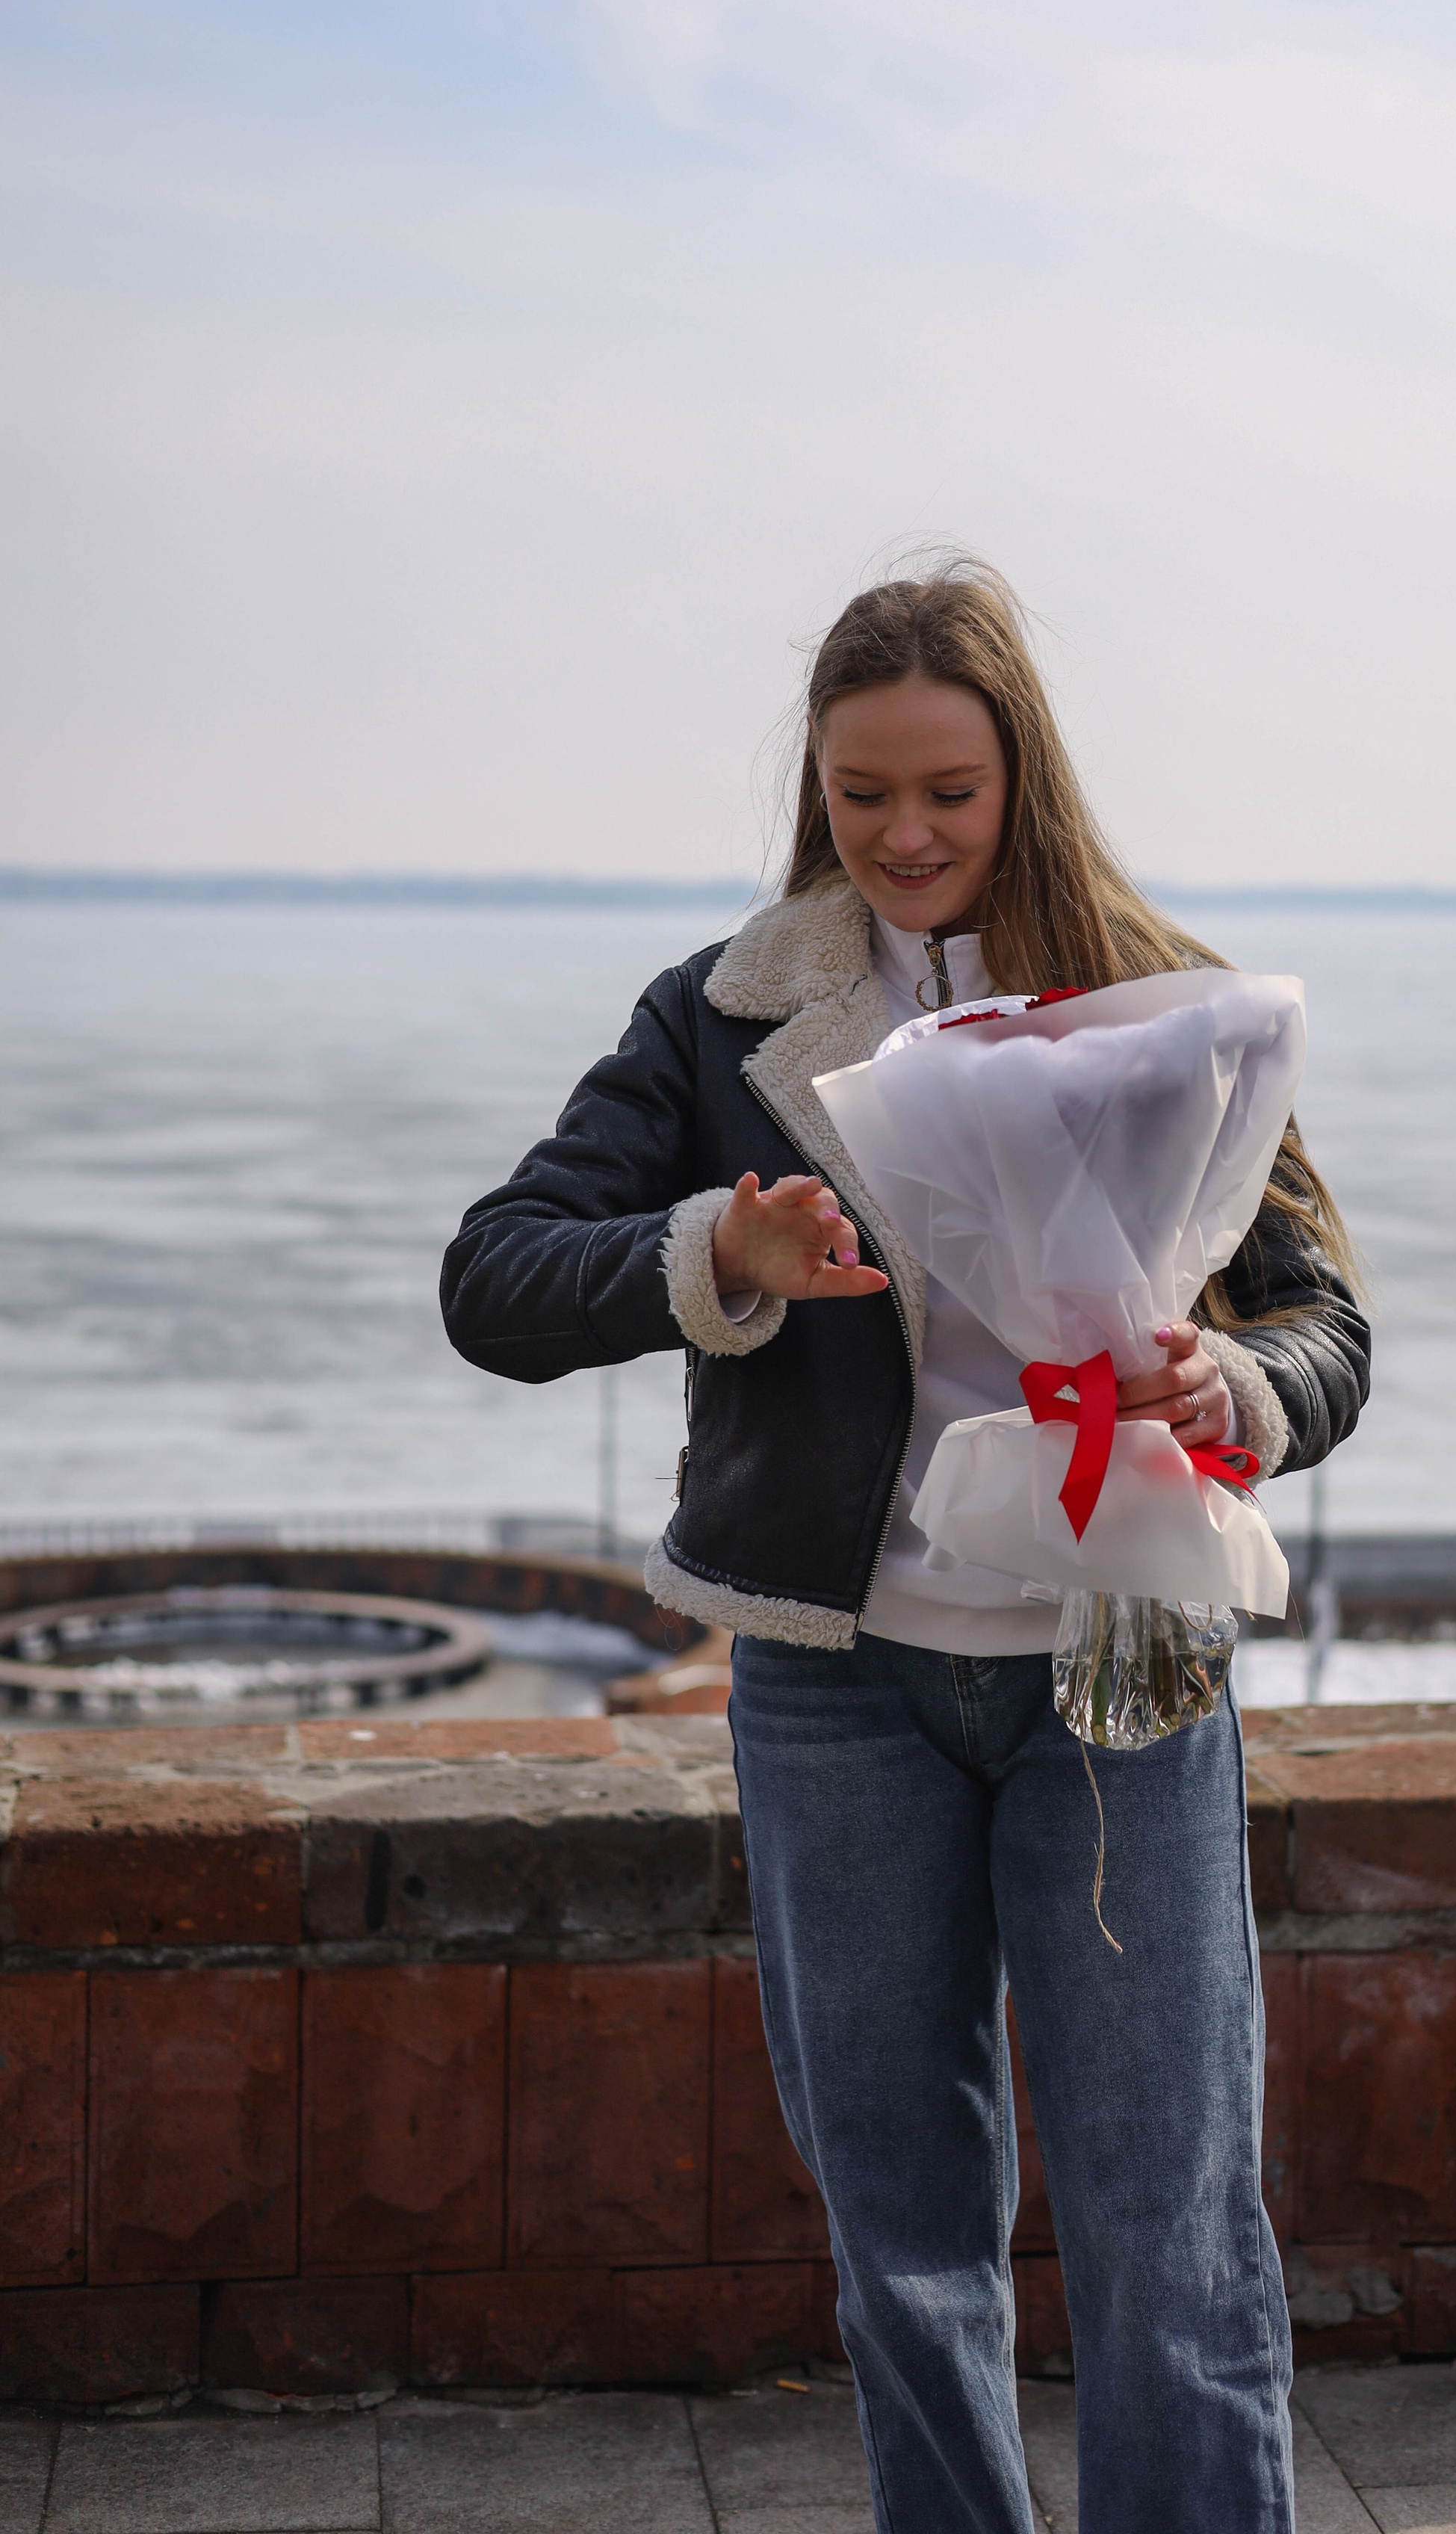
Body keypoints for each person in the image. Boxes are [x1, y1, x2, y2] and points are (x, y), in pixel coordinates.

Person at [442, 560, 1370, 2534]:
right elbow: (494, 1281)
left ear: (1023, 773)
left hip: (1122, 1671)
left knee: (1171, 2215)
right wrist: (719, 1250)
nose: (908, 833)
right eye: (863, 793)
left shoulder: (1171, 994)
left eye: (949, 789)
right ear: (817, 786)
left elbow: (1327, 1327)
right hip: (835, 1685)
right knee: (903, 2227)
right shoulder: (720, 1017)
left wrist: (1232, 1383)